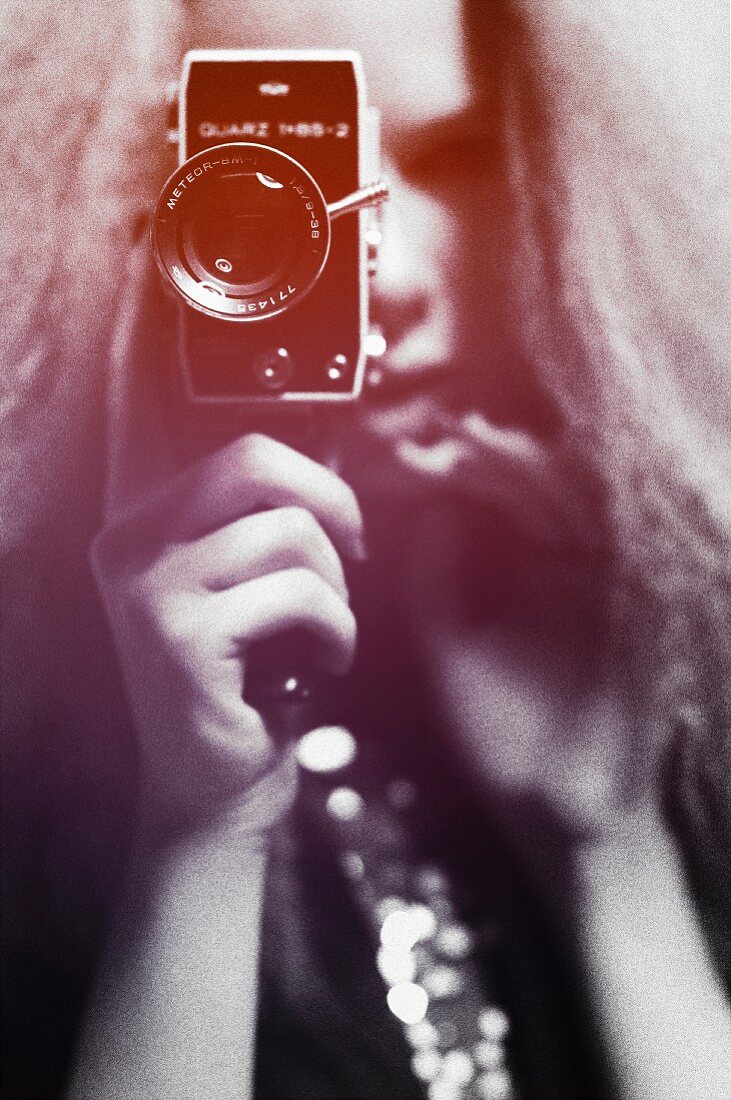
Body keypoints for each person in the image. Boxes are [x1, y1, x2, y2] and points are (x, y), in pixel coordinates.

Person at [1, 1, 729, 1098]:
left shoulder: (684, 692)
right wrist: (198, 835)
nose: (383, 277)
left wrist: (607, 847)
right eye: (264, 169)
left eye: (457, 157)